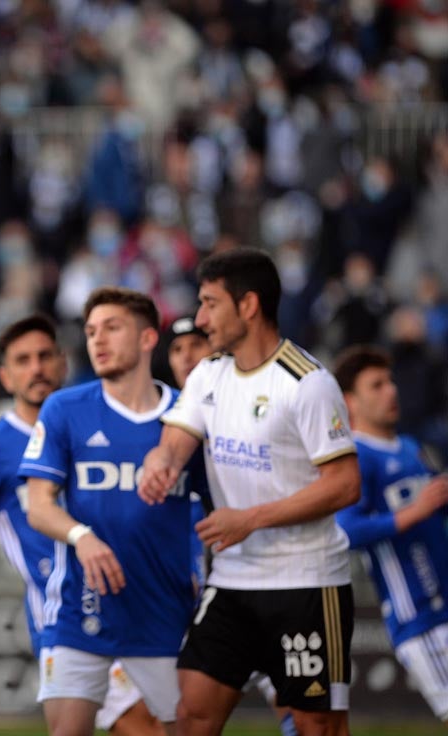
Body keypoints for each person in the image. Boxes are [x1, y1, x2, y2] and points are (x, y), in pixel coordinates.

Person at [139, 248, 360, 736]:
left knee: (316, 725)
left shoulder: (307, 383)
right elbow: (177, 438)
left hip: (306, 579)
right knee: (191, 714)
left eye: (210, 304)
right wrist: (160, 463)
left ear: (249, 305)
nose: (200, 318)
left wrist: (251, 518)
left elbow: (345, 485)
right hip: (234, 580)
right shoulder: (209, 373)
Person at [0, 313, 160, 736]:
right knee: (142, 726)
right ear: (5, 375)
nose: (35, 368)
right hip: (64, 613)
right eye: (22, 360)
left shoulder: (99, 421)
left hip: (134, 598)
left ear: (63, 362)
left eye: (44, 356)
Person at [20, 287, 198, 736]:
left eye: (112, 328)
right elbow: (38, 506)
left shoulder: (188, 415)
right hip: (81, 610)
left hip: (164, 611)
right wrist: (82, 537)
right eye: (91, 331)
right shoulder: (65, 408)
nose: (97, 341)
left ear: (146, 338)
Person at [163, 314, 298, 736]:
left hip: (258, 579)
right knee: (181, 715)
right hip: (186, 599)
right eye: (177, 349)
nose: (187, 357)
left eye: (196, 346)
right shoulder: (161, 421)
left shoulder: (245, 410)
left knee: (297, 707)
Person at [333, 345, 448, 724]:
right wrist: (414, 511)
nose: (391, 391)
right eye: (376, 385)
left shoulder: (413, 447)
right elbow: (346, 530)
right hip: (419, 615)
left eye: (391, 382)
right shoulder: (357, 457)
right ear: (350, 401)